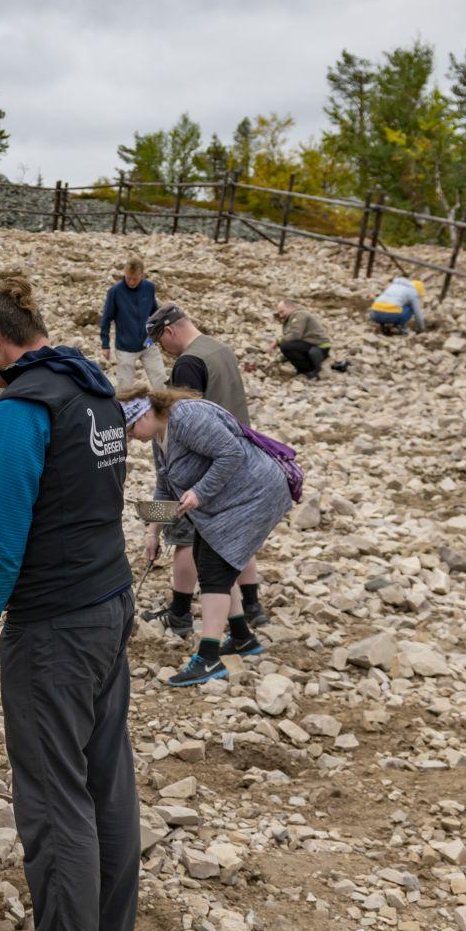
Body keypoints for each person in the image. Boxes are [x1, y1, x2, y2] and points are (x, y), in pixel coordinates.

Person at [0, 277, 136, 931]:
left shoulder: (23, 407)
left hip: (56, 621)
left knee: (53, 797)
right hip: (108, 599)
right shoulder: (92, 391)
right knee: (104, 776)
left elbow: (3, 535)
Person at [123, 386, 293, 687]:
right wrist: (153, 532)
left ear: (147, 413)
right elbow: (165, 486)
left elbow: (232, 453)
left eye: (132, 428)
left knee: (216, 569)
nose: (131, 436)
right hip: (229, 500)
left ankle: (208, 658)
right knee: (207, 559)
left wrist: (200, 493)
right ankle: (242, 638)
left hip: (255, 494)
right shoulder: (159, 437)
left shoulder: (186, 418)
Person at [144, 303, 269, 629]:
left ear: (169, 331)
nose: (164, 351)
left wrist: (157, 524)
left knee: (185, 539)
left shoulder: (188, 364)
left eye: (160, 343)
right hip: (241, 457)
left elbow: (184, 422)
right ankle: (253, 606)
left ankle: (181, 613)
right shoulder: (220, 349)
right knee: (236, 533)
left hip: (205, 466)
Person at [98, 256, 162, 391]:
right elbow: (106, 319)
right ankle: (123, 411)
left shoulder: (149, 287)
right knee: (124, 388)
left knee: (161, 379)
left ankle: (168, 409)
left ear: (142, 275)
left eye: (135, 279)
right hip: (125, 348)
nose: (131, 282)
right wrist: (105, 345)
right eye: (128, 278)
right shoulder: (115, 292)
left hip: (148, 343)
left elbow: (155, 313)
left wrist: (156, 335)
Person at [273, 299, 332, 380]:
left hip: (319, 347)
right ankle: (305, 370)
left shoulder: (300, 314)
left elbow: (296, 335)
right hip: (311, 345)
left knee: (285, 345)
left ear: (290, 307)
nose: (280, 316)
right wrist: (278, 360)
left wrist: (278, 341)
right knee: (286, 345)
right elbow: (293, 347)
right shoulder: (291, 319)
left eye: (282, 312)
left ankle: (310, 371)